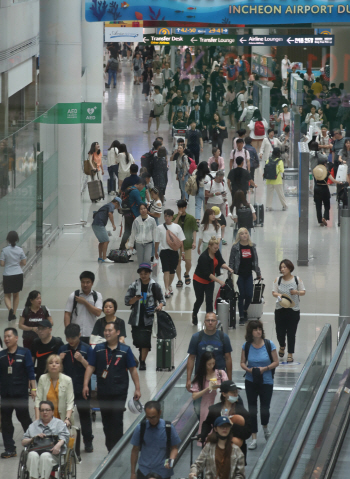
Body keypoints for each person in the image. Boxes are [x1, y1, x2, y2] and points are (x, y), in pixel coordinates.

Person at [83, 321, 141, 452]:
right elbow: (90, 366)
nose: (107, 333)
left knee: (117, 422)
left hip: (119, 392)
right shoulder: (98, 349)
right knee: (106, 423)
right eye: (105, 331)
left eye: (110, 330)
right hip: (103, 391)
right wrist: (86, 384)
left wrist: (137, 388)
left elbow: (132, 370)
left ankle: (116, 452)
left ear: (118, 332)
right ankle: (110, 450)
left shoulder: (125, 350)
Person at [240, 320, 279, 450]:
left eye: (260, 329)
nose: (259, 331)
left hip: (266, 381)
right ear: (251, 332)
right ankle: (254, 437)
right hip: (251, 381)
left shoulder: (269, 344)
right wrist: (249, 370)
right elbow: (242, 363)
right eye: (256, 329)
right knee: (252, 409)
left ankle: (265, 427)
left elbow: (276, 362)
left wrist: (265, 368)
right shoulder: (246, 346)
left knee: (265, 408)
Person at [0, 327, 36, 458]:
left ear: (16, 338)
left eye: (9, 336)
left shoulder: (24, 352)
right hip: (5, 394)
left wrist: (33, 388)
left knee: (24, 418)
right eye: (5, 337)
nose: (6, 339)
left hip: (20, 393)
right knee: (6, 422)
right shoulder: (2, 355)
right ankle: (10, 449)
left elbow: (30, 371)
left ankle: (33, 442)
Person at [58, 323, 94, 452]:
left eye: (73, 338)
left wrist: (82, 360)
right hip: (66, 389)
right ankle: (63, 441)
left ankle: (88, 441)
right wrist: (59, 360)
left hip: (82, 388)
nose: (70, 341)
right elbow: (56, 370)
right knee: (64, 415)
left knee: (84, 416)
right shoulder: (63, 349)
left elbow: (91, 368)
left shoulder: (87, 349)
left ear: (79, 335)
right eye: (68, 338)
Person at [125, 263, 165, 370]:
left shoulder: (154, 285)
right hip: (136, 317)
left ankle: (142, 361)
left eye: (146, 273)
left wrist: (160, 306)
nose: (143, 276)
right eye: (141, 274)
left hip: (149, 318)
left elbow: (162, 299)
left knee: (145, 341)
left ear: (150, 273)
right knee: (137, 341)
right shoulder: (134, 285)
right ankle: (140, 354)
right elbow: (127, 301)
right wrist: (135, 299)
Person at [200, 381, 251, 462]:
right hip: (217, 450)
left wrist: (232, 426)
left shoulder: (241, 411)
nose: (235, 395)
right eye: (232, 392)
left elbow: (247, 432)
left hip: (236, 454)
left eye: (236, 392)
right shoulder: (214, 409)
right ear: (224, 394)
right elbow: (207, 423)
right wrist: (203, 434)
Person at [130, 400, 181, 479]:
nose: (151, 420)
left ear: (159, 413)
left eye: (153, 417)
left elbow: (174, 448)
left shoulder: (168, 427)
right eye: (148, 417)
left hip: (163, 472)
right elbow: (135, 450)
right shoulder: (140, 428)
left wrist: (170, 461)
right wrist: (133, 473)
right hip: (144, 471)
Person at [22, 400, 70, 479]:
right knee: (32, 455)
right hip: (35, 451)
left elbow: (65, 436)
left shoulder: (59, 423)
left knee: (45, 456)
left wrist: (58, 445)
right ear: (39, 412)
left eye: (47, 410)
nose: (45, 412)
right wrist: (33, 438)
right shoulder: (33, 425)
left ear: (52, 412)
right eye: (42, 410)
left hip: (52, 454)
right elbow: (23, 442)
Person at [192, 239, 233, 325]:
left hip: (210, 281)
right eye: (214, 248)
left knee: (209, 300)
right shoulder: (203, 257)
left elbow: (221, 262)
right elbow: (208, 274)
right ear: (209, 246)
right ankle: (194, 314)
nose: (216, 249)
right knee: (200, 300)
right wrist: (219, 281)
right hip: (199, 281)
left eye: (217, 247)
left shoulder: (216, 252)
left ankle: (209, 320)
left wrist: (228, 268)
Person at [272, 259, 306, 363]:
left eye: (284, 267)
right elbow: (274, 292)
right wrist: (280, 295)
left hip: (293, 310)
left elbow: (303, 291)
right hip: (280, 309)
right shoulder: (277, 280)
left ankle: (290, 353)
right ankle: (282, 345)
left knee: (291, 333)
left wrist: (297, 292)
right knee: (279, 332)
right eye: (281, 267)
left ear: (290, 268)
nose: (282, 269)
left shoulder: (297, 279)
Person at [190, 352, 228, 438]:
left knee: (221, 428)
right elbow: (194, 396)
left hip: (221, 404)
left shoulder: (221, 373)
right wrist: (207, 389)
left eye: (213, 363)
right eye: (209, 364)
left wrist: (220, 387)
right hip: (206, 405)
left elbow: (227, 388)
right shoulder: (200, 377)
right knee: (207, 430)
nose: (211, 366)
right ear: (204, 364)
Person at [229, 228, 261, 325]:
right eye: (242, 234)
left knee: (249, 295)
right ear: (239, 235)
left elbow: (255, 261)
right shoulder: (235, 247)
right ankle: (242, 315)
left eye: (246, 233)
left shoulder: (252, 247)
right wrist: (230, 274)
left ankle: (245, 309)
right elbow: (231, 261)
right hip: (238, 275)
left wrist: (258, 273)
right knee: (241, 295)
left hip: (248, 274)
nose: (244, 235)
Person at [35, 355, 74, 430]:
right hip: (46, 418)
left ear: (60, 366)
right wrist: (37, 419)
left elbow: (70, 402)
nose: (53, 365)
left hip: (63, 418)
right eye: (51, 363)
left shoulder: (67, 380)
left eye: (57, 363)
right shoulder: (42, 378)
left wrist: (67, 418)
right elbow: (38, 400)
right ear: (47, 366)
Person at [64, 271, 103, 344]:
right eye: (83, 282)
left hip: (92, 333)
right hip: (76, 334)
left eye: (88, 282)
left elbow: (98, 312)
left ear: (92, 283)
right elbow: (67, 314)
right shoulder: (73, 295)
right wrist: (68, 331)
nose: (85, 285)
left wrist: (85, 302)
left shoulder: (97, 295)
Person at [155, 209, 186, 299]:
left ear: (172, 217)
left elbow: (181, 241)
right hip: (164, 251)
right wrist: (156, 252)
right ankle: (166, 290)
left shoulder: (177, 227)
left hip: (174, 252)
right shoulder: (159, 227)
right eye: (165, 216)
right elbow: (157, 241)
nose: (167, 218)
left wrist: (183, 252)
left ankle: (169, 286)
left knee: (172, 272)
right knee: (166, 270)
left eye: (169, 216)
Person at [0, 230, 26, 321]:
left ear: (8, 239)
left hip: (7, 274)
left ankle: (10, 309)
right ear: (17, 239)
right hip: (18, 274)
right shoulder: (20, 249)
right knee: (16, 294)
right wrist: (17, 263)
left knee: (7, 295)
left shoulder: (4, 250)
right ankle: (14, 313)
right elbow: (24, 262)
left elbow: (2, 264)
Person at [173, 200, 198, 288]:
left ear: (185, 207)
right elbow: (172, 226)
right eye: (179, 208)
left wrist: (194, 241)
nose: (181, 209)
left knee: (188, 262)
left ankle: (187, 273)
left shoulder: (191, 218)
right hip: (176, 244)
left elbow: (194, 230)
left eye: (182, 208)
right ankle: (179, 279)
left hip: (187, 243)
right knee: (177, 262)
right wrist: (178, 216)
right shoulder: (175, 217)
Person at [92, 197, 121, 263]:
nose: (116, 208)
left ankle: (100, 257)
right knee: (106, 240)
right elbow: (110, 213)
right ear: (116, 203)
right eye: (118, 206)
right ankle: (104, 258)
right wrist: (113, 224)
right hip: (99, 224)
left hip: (95, 224)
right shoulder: (111, 205)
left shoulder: (107, 205)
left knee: (102, 241)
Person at [119, 179, 145, 251]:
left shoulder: (129, 188)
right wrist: (147, 205)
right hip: (132, 213)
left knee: (127, 231)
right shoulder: (135, 191)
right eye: (142, 187)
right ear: (140, 184)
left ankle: (122, 246)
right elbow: (139, 202)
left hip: (126, 212)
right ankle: (136, 247)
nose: (142, 189)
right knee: (135, 231)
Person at [313, 159, 340, 226]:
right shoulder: (326, 172)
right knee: (327, 205)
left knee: (318, 206)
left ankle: (320, 221)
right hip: (324, 189)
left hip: (316, 189)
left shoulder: (315, 172)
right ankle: (325, 217)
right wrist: (340, 182)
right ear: (324, 164)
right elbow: (333, 180)